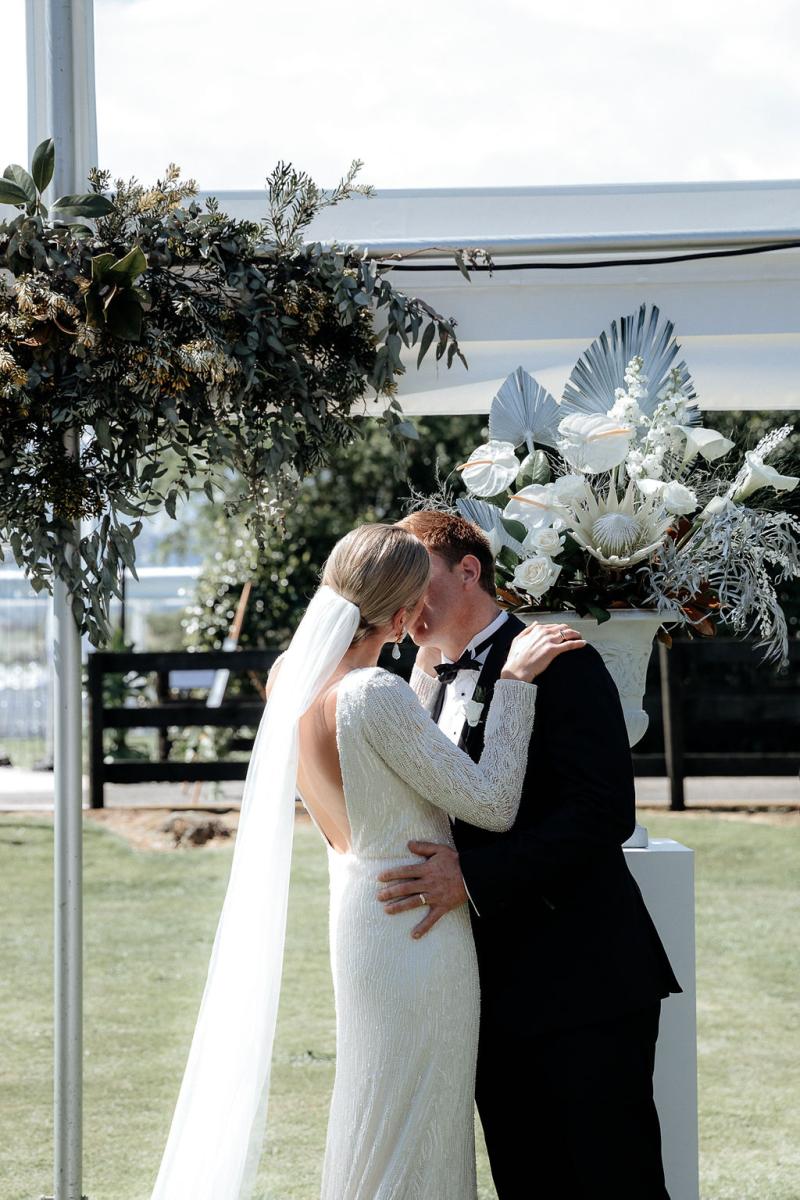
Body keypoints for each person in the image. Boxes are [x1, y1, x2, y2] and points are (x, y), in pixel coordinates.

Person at [149, 522, 585, 1200]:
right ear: (406, 609)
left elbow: (381, 775)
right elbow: (493, 803)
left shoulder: (291, 679)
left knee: (376, 1109)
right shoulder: (371, 695)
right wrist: (517, 681)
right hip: (414, 925)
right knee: (420, 1120)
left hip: (361, 912)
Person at [378, 509, 682, 1200]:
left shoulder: (561, 660)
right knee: (526, 1180)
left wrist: (473, 879)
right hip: (485, 990)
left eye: (416, 582)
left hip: (581, 979)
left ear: (468, 570)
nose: (405, 605)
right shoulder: (421, 679)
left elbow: (603, 812)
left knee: (613, 1180)